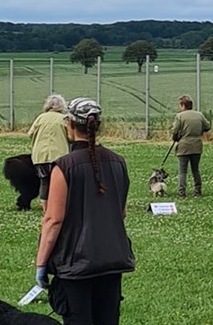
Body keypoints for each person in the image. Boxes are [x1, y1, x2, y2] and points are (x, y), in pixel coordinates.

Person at [35, 97, 134, 325]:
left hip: (75, 264)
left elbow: (53, 220)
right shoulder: (118, 162)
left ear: (69, 124)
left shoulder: (64, 166)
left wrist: (41, 264)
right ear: (98, 125)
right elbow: (121, 213)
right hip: (112, 259)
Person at [26, 94, 71, 204]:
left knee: (44, 182)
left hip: (40, 156)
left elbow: (30, 134)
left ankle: (45, 208)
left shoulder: (40, 118)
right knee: (61, 183)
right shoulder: (64, 119)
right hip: (59, 156)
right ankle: (59, 205)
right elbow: (71, 137)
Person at [170, 95, 211, 197]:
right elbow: (207, 126)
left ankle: (182, 192)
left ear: (183, 105)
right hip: (197, 146)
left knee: (182, 171)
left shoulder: (179, 116)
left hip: (183, 146)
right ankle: (197, 191)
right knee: (195, 170)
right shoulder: (199, 115)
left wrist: (175, 138)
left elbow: (175, 130)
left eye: (179, 105)